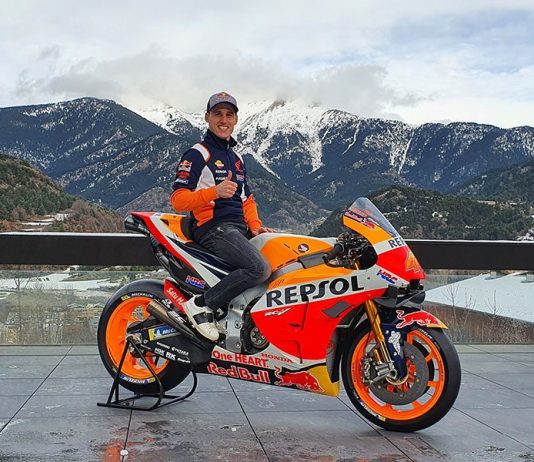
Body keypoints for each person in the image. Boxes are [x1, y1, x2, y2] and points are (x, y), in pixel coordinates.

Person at [170, 92, 273, 342]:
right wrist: (214, 192)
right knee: (259, 269)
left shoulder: (236, 158)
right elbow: (178, 200)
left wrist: (256, 226)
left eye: (229, 114)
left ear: (236, 119)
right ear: (207, 117)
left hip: (238, 229)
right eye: (218, 114)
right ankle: (201, 305)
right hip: (213, 228)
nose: (223, 120)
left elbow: (247, 199)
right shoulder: (198, 153)